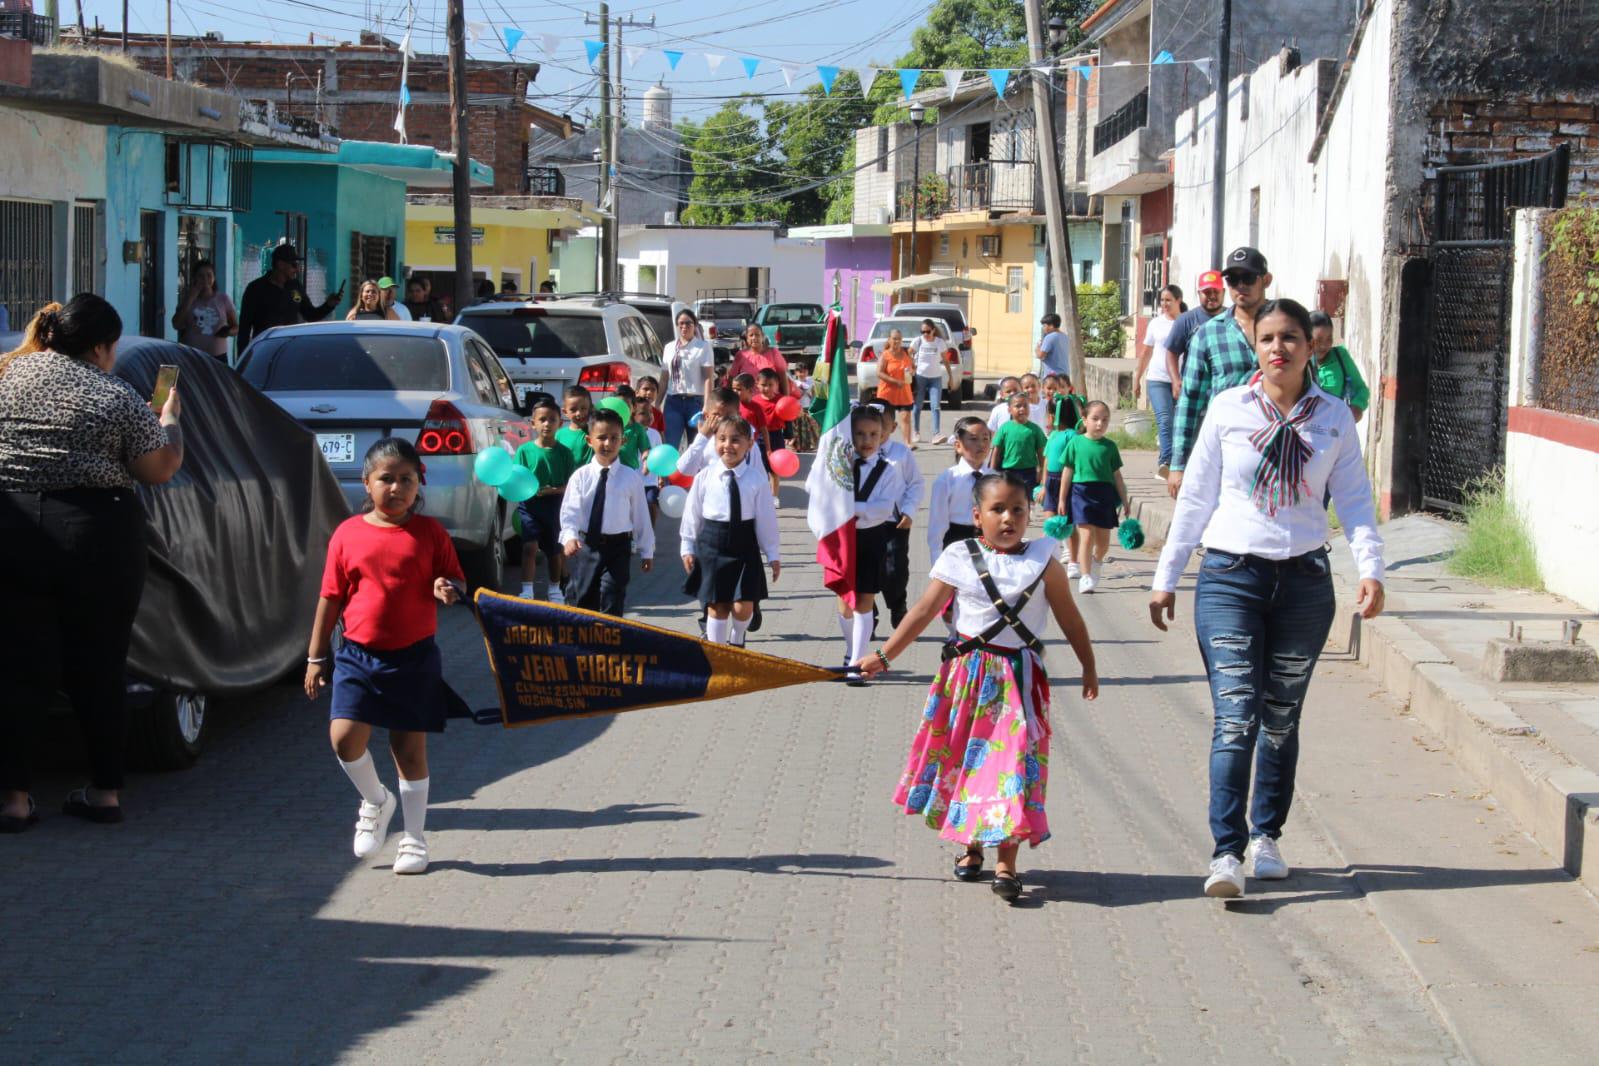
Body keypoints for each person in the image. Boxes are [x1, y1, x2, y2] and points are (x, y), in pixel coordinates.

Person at [1148, 297, 1386, 899]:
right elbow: (1196, 498)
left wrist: (1372, 568)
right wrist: (1166, 576)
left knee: (1280, 718)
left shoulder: (1333, 418)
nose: (1277, 348)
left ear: (1312, 347)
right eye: (1266, 339)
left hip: (1305, 585)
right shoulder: (1229, 410)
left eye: (1289, 338)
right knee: (1236, 718)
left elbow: (1355, 501)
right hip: (1231, 578)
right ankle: (1225, 853)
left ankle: (1266, 838)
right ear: (1255, 348)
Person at [857, 471, 1098, 903]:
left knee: (1013, 767)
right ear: (976, 515)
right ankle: (971, 845)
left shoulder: (1044, 560)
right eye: (998, 509)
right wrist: (885, 655)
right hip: (966, 680)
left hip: (1020, 681)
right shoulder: (959, 557)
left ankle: (1007, 862)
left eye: (1018, 510)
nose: (1009, 518)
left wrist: (1088, 664)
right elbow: (925, 611)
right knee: (966, 762)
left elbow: (1069, 616)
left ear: (1030, 515)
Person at [0, 295, 185, 831]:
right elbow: (158, 470)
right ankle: (104, 792)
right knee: (100, 666)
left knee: (17, 669)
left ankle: (13, 799)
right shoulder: (117, 395)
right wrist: (169, 417)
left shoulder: (7, 378)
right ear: (103, 347)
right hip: (96, 536)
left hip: (11, 528)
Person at [303, 437, 462, 876]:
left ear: (418, 484)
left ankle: (414, 837)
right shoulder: (348, 534)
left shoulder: (430, 533)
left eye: (406, 479)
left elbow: (454, 579)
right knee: (344, 737)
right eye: (386, 479)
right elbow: (330, 598)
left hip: (414, 658)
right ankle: (376, 799)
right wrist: (317, 658)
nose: (396, 488)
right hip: (357, 656)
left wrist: (446, 587)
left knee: (407, 750)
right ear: (366, 483)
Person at [1169, 247, 1274, 499]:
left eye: (1248, 278)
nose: (1240, 286)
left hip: (1277, 451)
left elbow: (1308, 387)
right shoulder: (1208, 334)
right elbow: (1190, 401)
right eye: (1232, 280)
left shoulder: (1287, 326)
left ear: (1266, 280)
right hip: (1226, 452)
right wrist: (1178, 464)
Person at [823, 405, 911, 683]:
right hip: (843, 540)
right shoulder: (839, 464)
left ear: (883, 434)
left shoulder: (888, 469)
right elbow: (824, 494)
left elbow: (883, 509)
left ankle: (858, 662)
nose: (867, 440)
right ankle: (851, 650)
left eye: (874, 434)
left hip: (872, 538)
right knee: (844, 599)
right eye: (860, 434)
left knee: (864, 599)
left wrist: (850, 507)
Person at [679, 416, 781, 647]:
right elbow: (692, 514)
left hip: (745, 545)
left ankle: (737, 639)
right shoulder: (705, 476)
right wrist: (687, 546)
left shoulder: (756, 479)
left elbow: (766, 519)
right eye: (722, 439)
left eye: (736, 440)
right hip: (712, 544)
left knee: (743, 606)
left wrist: (772, 554)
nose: (728, 445)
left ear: (750, 444)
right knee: (717, 605)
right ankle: (718, 654)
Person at [559, 408, 655, 616]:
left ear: (624, 441)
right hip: (586, 546)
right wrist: (569, 536)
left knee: (613, 595)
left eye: (614, 438)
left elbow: (640, 515)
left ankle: (610, 646)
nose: (608, 444)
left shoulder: (630, 478)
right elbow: (570, 511)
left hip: (618, 547)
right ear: (589, 440)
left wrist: (646, 549)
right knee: (584, 599)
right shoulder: (581, 476)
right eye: (601, 438)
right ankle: (585, 646)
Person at [1058, 401, 1128, 595]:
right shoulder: (1076, 442)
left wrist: (1124, 499)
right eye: (1095, 419)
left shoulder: (1110, 447)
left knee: (1104, 543)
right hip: (1081, 492)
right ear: (1084, 420)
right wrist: (1062, 499)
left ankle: (1096, 562)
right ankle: (1086, 575)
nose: (1100, 424)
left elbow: (1117, 476)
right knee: (1086, 535)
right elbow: (1067, 471)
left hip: (1104, 494)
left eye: (1105, 420)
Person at [513, 401, 575, 605]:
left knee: (554, 551)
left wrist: (553, 490)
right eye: (542, 419)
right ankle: (527, 589)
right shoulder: (524, 451)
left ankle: (555, 588)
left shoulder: (565, 453)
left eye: (552, 419)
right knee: (529, 547)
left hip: (555, 506)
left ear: (560, 423)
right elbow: (516, 478)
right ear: (533, 423)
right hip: (530, 506)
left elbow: (571, 485)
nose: (547, 424)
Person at [237, 243, 343, 351]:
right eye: (293, 265)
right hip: (264, 351)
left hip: (290, 351)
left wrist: (329, 305)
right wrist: (243, 361)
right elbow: (244, 329)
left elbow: (310, 315)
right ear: (280, 264)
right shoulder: (256, 289)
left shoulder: (295, 287)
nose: (297, 269)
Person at [877, 404, 926, 630]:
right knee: (867, 569)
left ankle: (898, 604)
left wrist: (909, 511)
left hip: (895, 522)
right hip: (863, 525)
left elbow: (915, 484)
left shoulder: (900, 453)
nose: (876, 431)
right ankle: (869, 613)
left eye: (882, 424)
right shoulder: (855, 452)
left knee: (895, 569)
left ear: (893, 426)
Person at [1136, 284, 1185, 478]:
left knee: (1180, 422)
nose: (1164, 304)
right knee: (1165, 420)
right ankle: (1166, 462)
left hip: (1181, 381)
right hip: (1157, 379)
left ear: (1178, 301)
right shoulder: (1156, 324)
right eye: (1162, 300)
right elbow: (1146, 352)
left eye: (1168, 300)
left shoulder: (1186, 322)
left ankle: (1180, 461)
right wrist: (1137, 377)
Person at [925, 416, 992, 556]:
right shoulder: (947, 480)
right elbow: (937, 525)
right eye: (973, 439)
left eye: (985, 438)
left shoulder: (996, 479)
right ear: (958, 446)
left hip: (989, 540)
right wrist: (937, 559)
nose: (981, 444)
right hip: (956, 541)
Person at [661, 308, 716, 451]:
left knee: (697, 446)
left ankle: (696, 474)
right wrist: (656, 403)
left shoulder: (703, 347)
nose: (684, 327)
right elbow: (664, 377)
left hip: (695, 403)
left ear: (695, 325)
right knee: (669, 446)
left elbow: (708, 378)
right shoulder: (669, 347)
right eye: (681, 324)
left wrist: (707, 405)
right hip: (673, 401)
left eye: (688, 323)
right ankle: (668, 473)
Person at [1308, 311, 1370, 422]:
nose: (1324, 345)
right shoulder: (1300, 361)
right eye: (1318, 340)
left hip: (1335, 429)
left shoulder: (1340, 356)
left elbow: (1361, 389)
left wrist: (1356, 408)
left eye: (1329, 339)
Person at [1162, 271, 1226, 377]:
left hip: (1226, 388)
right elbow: (1172, 353)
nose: (1212, 296)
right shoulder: (1186, 320)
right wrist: (1175, 380)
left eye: (1216, 291)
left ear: (1223, 292)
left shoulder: (1233, 318)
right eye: (1207, 292)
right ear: (1199, 294)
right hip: (1195, 387)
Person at [986, 393, 1046, 502]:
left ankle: (1026, 517)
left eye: (1025, 405)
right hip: (1008, 471)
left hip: (1029, 472)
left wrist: (1041, 472)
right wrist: (992, 472)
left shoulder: (1035, 429)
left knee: (1026, 499)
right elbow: (996, 452)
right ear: (1009, 410)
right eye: (1018, 406)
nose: (1022, 409)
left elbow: (1041, 453)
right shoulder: (1005, 428)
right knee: (1008, 498)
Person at [172, 259, 237, 359]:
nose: (205, 280)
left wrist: (227, 332)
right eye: (201, 276)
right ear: (194, 278)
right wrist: (191, 298)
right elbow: (176, 324)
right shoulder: (187, 299)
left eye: (209, 275)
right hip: (192, 356)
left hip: (218, 357)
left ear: (214, 278)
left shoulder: (223, 299)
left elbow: (236, 327)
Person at [910, 318, 955, 445]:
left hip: (935, 378)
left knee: (935, 406)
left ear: (933, 330)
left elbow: (946, 360)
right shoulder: (918, 342)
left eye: (927, 331)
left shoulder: (939, 343)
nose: (925, 334)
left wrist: (951, 378)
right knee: (917, 406)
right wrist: (912, 366)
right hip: (920, 377)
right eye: (922, 331)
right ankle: (916, 432)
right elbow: (909, 354)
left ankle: (936, 434)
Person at [874, 328, 916, 448]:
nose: (896, 341)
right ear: (889, 340)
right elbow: (879, 373)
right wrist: (894, 381)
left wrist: (912, 372)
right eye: (894, 339)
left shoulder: (906, 353)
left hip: (904, 392)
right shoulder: (885, 355)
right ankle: (881, 442)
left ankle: (908, 443)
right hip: (887, 393)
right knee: (886, 419)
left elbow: (913, 367)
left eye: (899, 339)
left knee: (905, 417)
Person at [725, 324, 792, 397]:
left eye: (757, 335)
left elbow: (783, 376)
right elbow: (731, 378)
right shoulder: (741, 355)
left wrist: (786, 398)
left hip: (771, 400)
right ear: (747, 338)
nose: (754, 338)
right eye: (751, 335)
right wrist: (728, 399)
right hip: (748, 401)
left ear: (762, 336)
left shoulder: (773, 353)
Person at [557, 385, 594, 467]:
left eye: (583, 408)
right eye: (573, 409)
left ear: (590, 408)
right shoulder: (559, 435)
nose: (579, 413)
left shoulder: (595, 432)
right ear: (565, 412)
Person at [1036, 312, 1070, 378]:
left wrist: (1038, 347)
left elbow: (1040, 356)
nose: (1043, 328)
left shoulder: (1050, 337)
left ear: (1051, 325)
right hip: (1065, 374)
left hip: (1053, 376)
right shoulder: (1065, 336)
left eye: (1044, 325)